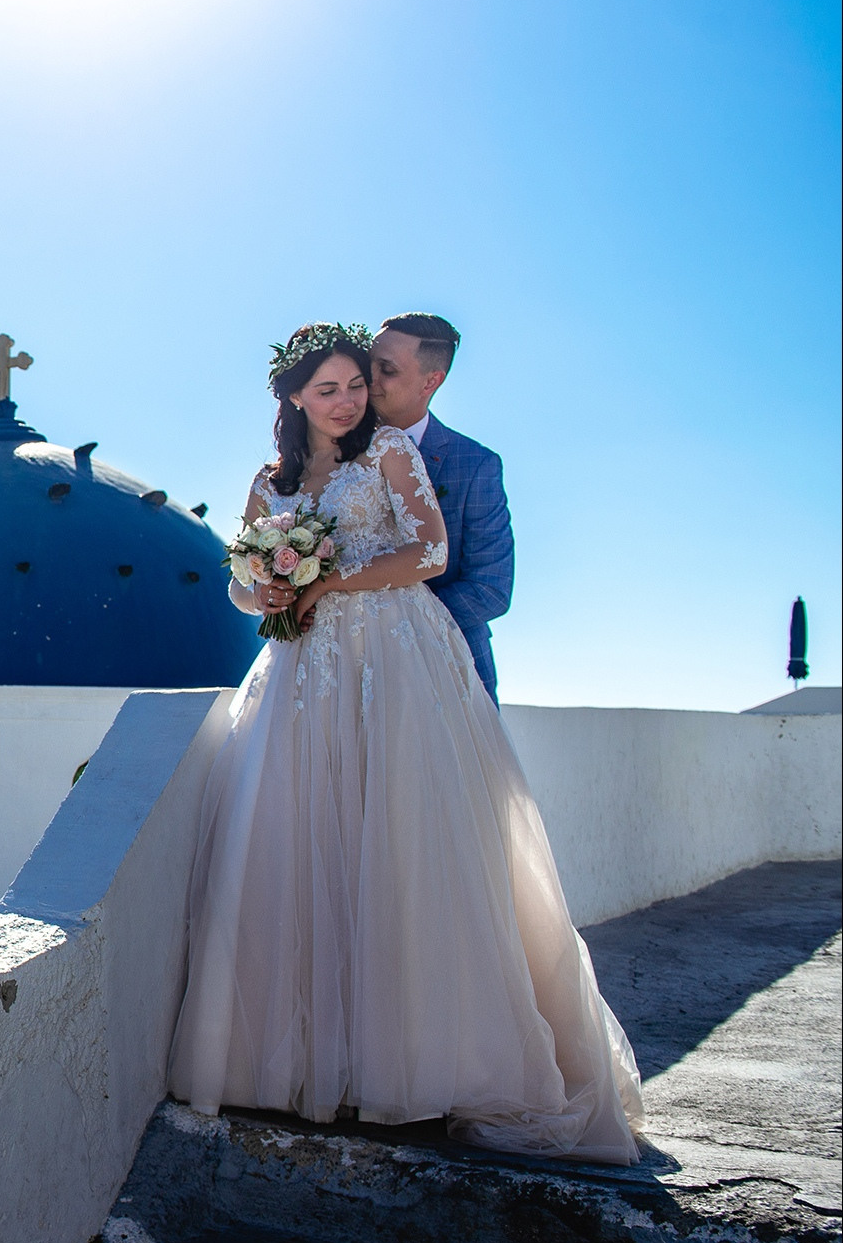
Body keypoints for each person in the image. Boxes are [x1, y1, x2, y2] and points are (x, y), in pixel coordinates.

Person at [168, 323, 643, 1163]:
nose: (349, 399)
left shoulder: (389, 451)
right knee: (307, 852)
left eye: (359, 382)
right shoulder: (266, 480)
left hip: (396, 662)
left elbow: (432, 550)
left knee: (408, 852)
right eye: (331, 388)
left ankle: (429, 1065)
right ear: (293, 399)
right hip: (301, 676)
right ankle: (321, 1062)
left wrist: (327, 582)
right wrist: (268, 584)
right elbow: (240, 584)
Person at [367, 313, 513, 704]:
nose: (369, 378)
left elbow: (491, 588)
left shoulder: (475, 465)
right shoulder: (324, 456)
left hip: (449, 678)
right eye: (368, 362)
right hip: (346, 673)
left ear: (431, 381)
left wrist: (388, 622)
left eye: (387, 369)